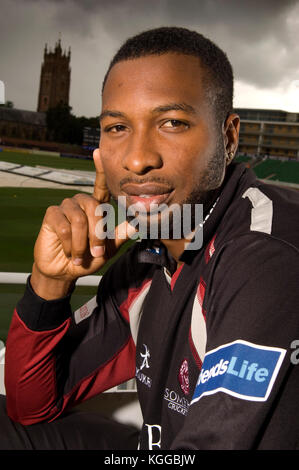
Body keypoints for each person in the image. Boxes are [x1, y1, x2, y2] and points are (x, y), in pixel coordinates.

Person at [1, 26, 299, 450]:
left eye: (172, 123)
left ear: (229, 138)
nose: (138, 159)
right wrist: (50, 281)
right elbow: (31, 408)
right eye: (118, 127)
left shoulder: (265, 254)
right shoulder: (151, 257)